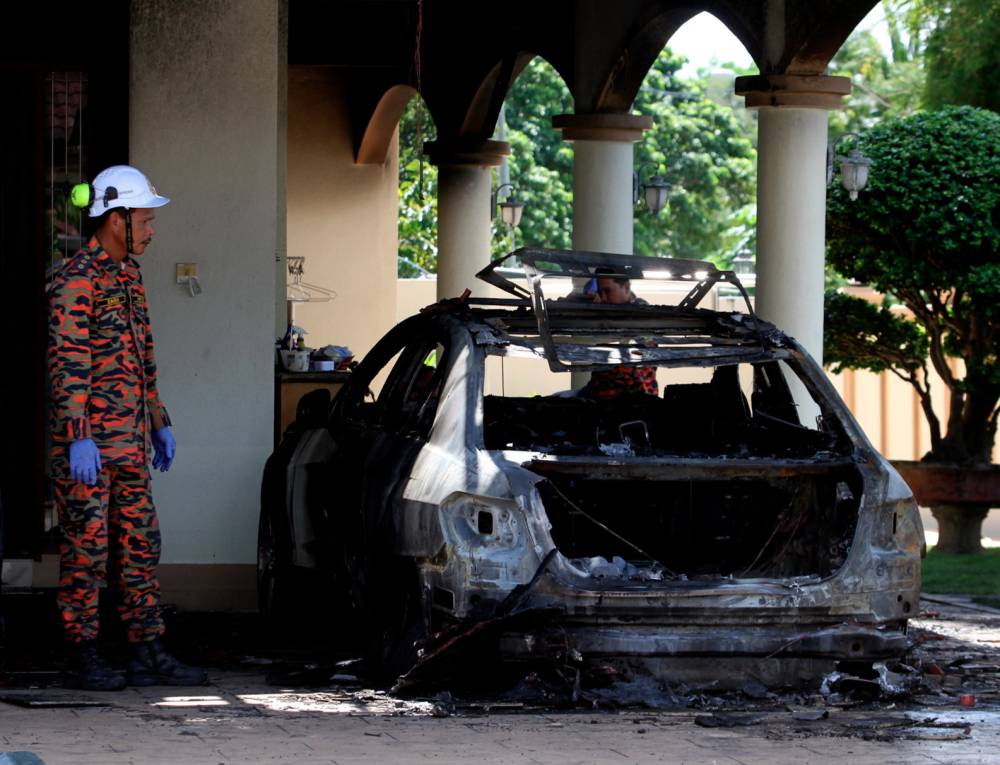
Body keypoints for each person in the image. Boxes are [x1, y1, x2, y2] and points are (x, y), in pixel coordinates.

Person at [48, 165, 205, 690]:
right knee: (87, 551)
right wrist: (78, 435)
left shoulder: (128, 277)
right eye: (145, 219)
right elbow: (66, 364)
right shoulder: (75, 281)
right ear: (116, 220)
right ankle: (83, 651)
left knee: (141, 544)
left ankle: (145, 649)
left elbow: (143, 359)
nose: (153, 229)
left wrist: (159, 421)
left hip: (132, 442)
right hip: (89, 446)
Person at [583, 272, 659, 398]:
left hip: (632, 397)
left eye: (608, 291)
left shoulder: (641, 314)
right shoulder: (607, 311)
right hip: (601, 393)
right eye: (601, 293)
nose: (604, 298)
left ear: (626, 287)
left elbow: (628, 371)